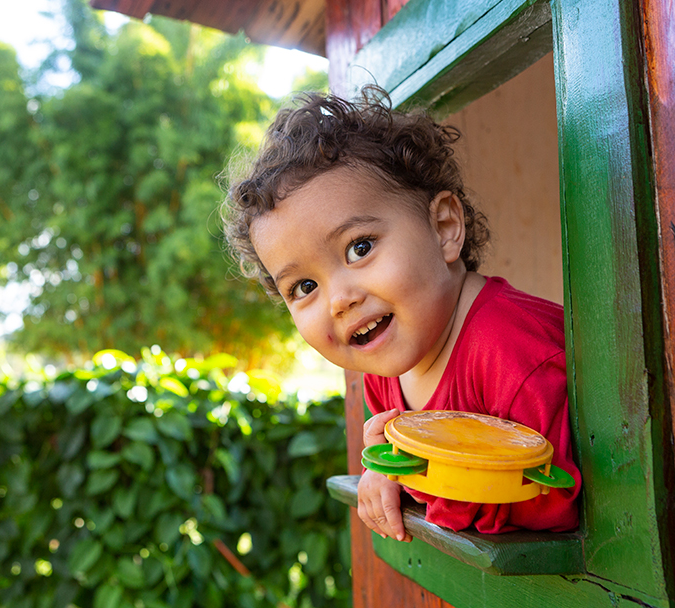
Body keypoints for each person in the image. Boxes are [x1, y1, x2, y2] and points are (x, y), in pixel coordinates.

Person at [222, 86, 580, 542]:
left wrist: (420, 482)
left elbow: (559, 500)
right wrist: (385, 471)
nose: (339, 300)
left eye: (359, 247)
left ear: (443, 227)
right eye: (305, 287)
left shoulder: (513, 354)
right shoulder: (385, 369)